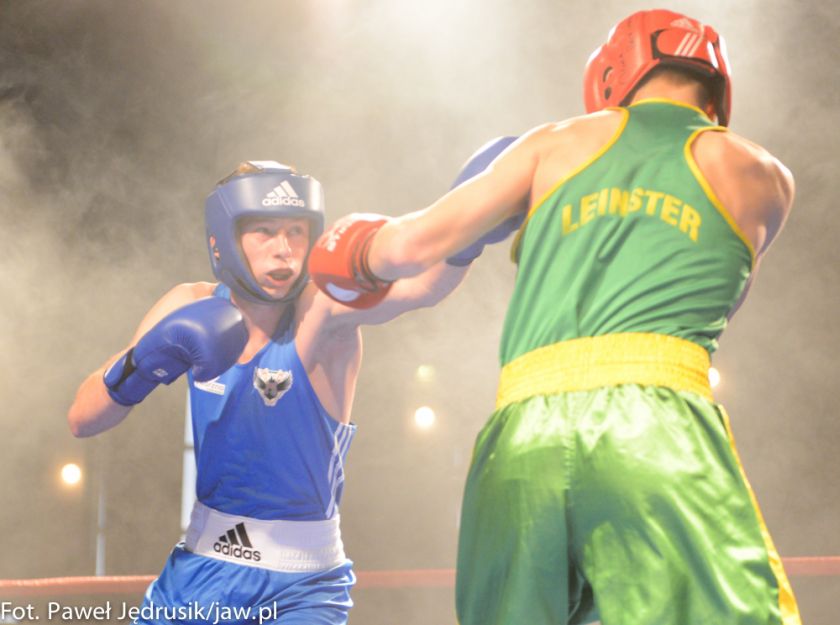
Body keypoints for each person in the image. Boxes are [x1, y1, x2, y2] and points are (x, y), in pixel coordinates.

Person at [307, 9, 801, 625]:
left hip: (523, 436)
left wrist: (355, 251)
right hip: (655, 429)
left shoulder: (551, 144)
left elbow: (408, 248)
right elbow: (721, 303)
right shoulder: (762, 176)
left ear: (614, 73)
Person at [67, 160, 474, 625]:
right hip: (197, 571)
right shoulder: (190, 303)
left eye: (296, 232)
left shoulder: (321, 311)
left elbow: (421, 285)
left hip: (300, 588)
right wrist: (142, 364)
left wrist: (472, 224)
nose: (284, 251)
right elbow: (83, 419)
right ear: (222, 239)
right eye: (264, 231)